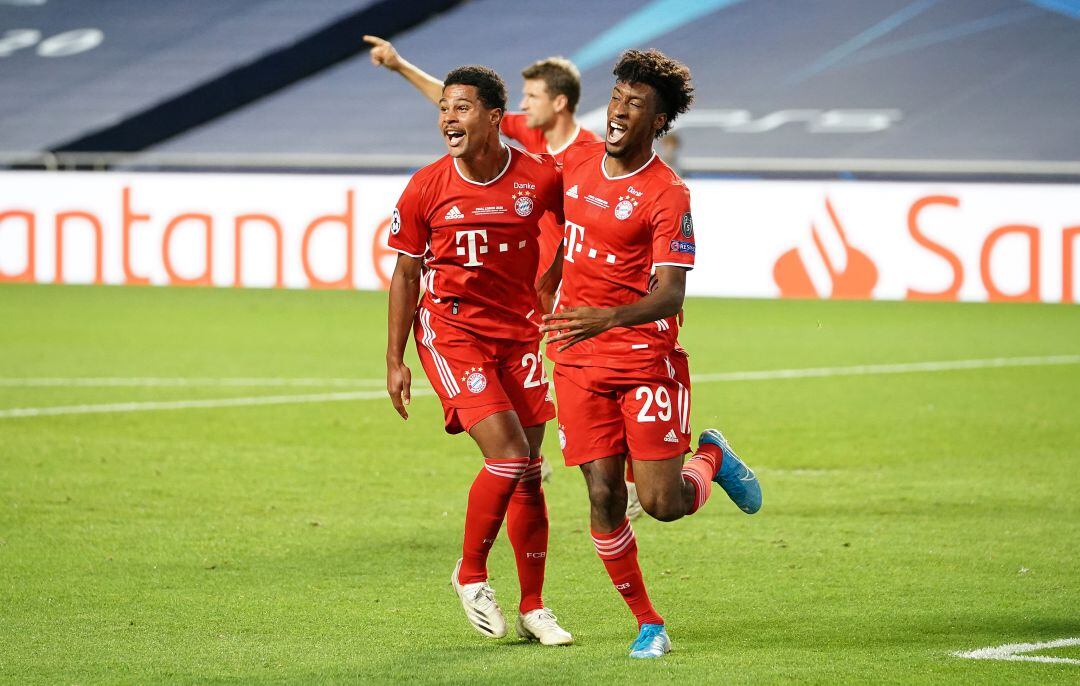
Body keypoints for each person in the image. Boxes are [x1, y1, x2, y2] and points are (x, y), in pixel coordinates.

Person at [537, 49, 763, 659]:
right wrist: (549, 275)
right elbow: (556, 220)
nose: (618, 111)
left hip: (644, 357)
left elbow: (671, 293)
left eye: (635, 105)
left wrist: (604, 317)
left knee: (664, 505)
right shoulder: (578, 165)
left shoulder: (668, 195)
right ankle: (648, 622)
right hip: (579, 359)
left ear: (658, 122)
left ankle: (710, 457)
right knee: (604, 496)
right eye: (616, 99)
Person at [385, 64, 572, 646]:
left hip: (518, 335)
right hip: (453, 334)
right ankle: (470, 575)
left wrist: (551, 282)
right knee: (510, 455)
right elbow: (406, 271)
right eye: (444, 108)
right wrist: (396, 359)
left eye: (461, 108)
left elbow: (577, 228)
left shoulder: (538, 179)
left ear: (495, 117)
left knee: (532, 473)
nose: (448, 118)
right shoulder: (425, 186)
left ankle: (535, 606)